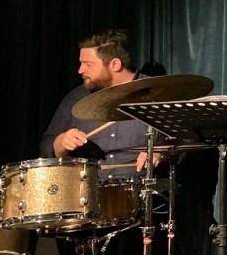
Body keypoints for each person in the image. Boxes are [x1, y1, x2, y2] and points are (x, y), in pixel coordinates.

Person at [41, 29, 156, 180]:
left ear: (115, 64)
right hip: (87, 188)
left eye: (87, 64)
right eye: (81, 63)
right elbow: (46, 146)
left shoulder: (157, 93)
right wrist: (61, 142)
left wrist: (160, 152)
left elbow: (181, 141)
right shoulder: (76, 97)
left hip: (142, 187)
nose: (80, 70)